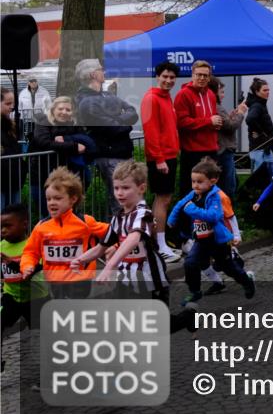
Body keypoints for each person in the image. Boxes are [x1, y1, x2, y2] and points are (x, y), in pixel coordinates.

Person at [70, 161, 197, 332]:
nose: (120, 193)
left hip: (151, 280)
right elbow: (101, 247)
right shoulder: (118, 217)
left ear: (141, 188)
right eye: (116, 188)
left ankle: (188, 317)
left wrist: (110, 265)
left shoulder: (143, 214)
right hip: (127, 279)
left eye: (125, 188)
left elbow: (133, 238)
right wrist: (80, 259)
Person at [168, 158, 255, 305]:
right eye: (193, 181)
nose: (195, 185)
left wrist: (192, 209)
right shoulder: (194, 194)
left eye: (199, 182)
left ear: (212, 181)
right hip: (201, 240)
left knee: (229, 268)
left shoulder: (216, 196)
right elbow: (180, 204)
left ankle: (246, 281)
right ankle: (195, 291)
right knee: (190, 263)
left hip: (217, 241)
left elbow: (214, 216)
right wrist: (172, 219)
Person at [19, 167, 108, 299]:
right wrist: (27, 266)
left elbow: (113, 232)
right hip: (54, 281)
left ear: (73, 199)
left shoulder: (85, 222)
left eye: (57, 198)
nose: (52, 203)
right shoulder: (41, 227)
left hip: (79, 280)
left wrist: (113, 248)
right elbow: (30, 252)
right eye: (48, 199)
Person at [74, 59, 139, 215]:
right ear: (92, 74)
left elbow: (132, 112)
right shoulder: (85, 101)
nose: (104, 72)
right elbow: (111, 128)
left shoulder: (107, 94)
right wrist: (124, 122)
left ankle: (132, 229)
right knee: (122, 203)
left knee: (132, 200)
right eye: (100, 69)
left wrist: (117, 120)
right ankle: (122, 230)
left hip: (123, 153)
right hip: (110, 156)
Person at [141, 61, 181, 262]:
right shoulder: (151, 98)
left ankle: (160, 243)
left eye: (172, 77)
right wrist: (158, 158)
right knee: (162, 199)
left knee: (165, 199)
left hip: (169, 155)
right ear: (157, 77)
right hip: (161, 157)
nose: (168, 80)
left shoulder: (166, 97)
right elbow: (151, 131)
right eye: (165, 76)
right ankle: (159, 246)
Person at [173, 60, 222, 199]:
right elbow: (181, 122)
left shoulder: (211, 94)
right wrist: (208, 121)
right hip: (192, 152)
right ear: (192, 75)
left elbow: (211, 118)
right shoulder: (183, 94)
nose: (202, 78)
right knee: (191, 192)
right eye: (198, 74)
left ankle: (209, 213)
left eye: (205, 75)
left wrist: (216, 124)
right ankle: (187, 214)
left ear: (209, 77)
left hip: (211, 149)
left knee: (210, 190)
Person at [1, 204, 48, 337]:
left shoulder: (33, 246)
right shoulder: (1, 246)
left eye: (8, 226)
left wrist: (12, 263)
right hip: (12, 296)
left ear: (24, 224)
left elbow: (35, 271)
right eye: (1, 226)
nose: (3, 230)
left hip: (36, 298)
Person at [209, 78, 247, 201]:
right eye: (221, 92)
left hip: (221, 149)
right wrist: (240, 113)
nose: (223, 95)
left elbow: (226, 123)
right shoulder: (217, 107)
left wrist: (231, 116)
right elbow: (230, 126)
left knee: (230, 182)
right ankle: (227, 210)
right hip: (224, 150)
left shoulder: (215, 107)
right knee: (228, 186)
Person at [245, 77, 273, 173]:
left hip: (264, 148)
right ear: (257, 92)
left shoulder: (261, 103)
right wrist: (261, 132)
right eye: (264, 90)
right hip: (259, 149)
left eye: (268, 90)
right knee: (260, 176)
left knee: (270, 175)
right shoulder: (257, 105)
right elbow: (249, 119)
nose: (268, 92)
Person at [0, 88, 22, 210]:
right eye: (8, 103)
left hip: (12, 178)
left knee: (14, 214)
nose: (11, 107)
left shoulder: (9, 124)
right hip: (3, 179)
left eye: (12, 103)